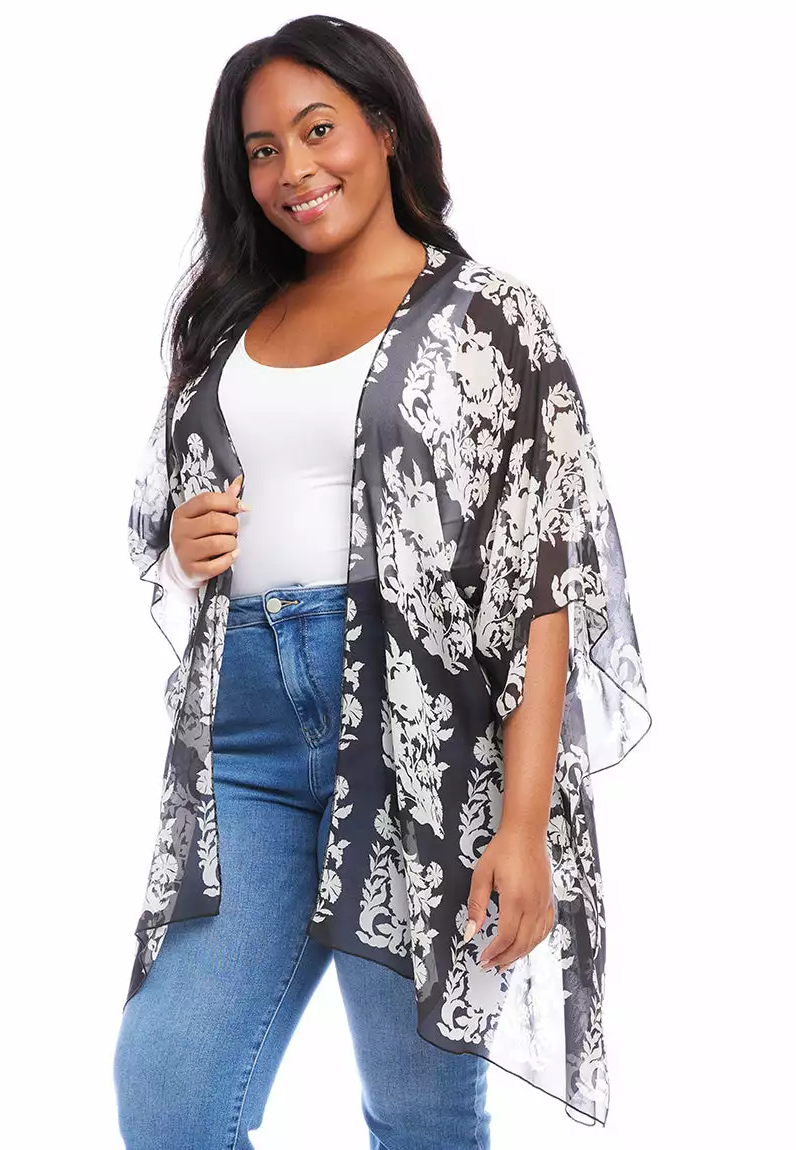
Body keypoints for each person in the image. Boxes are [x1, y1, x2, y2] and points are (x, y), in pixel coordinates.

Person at [113, 14, 651, 1149]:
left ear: (386, 128)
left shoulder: (487, 315)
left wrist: (521, 825)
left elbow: (542, 578)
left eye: (319, 131)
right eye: (262, 150)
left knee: (418, 1113)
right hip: (245, 738)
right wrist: (185, 543)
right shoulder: (233, 316)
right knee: (170, 1095)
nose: (293, 171)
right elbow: (175, 514)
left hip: (422, 744)